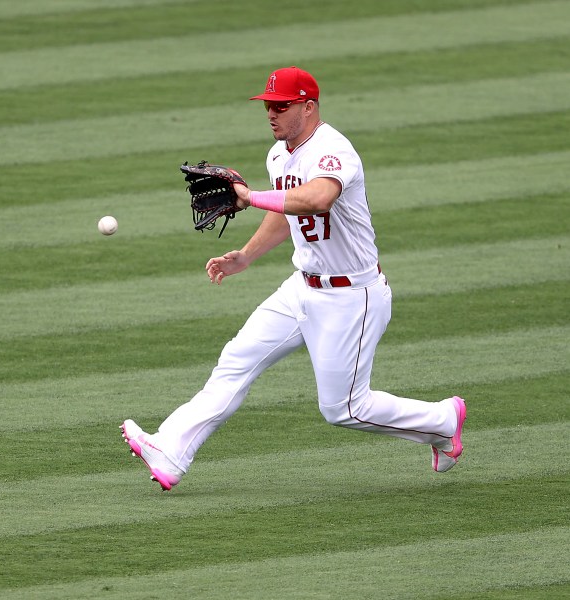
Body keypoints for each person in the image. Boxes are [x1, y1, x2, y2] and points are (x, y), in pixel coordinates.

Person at [121, 66, 466, 491]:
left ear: (308, 106)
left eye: (281, 106)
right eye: (268, 105)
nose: (271, 114)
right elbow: (287, 213)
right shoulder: (279, 154)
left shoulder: (333, 150)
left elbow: (317, 199)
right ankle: (172, 450)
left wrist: (249, 196)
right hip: (301, 288)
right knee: (236, 359)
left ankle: (444, 421)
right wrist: (244, 257)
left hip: (351, 296)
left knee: (343, 409)